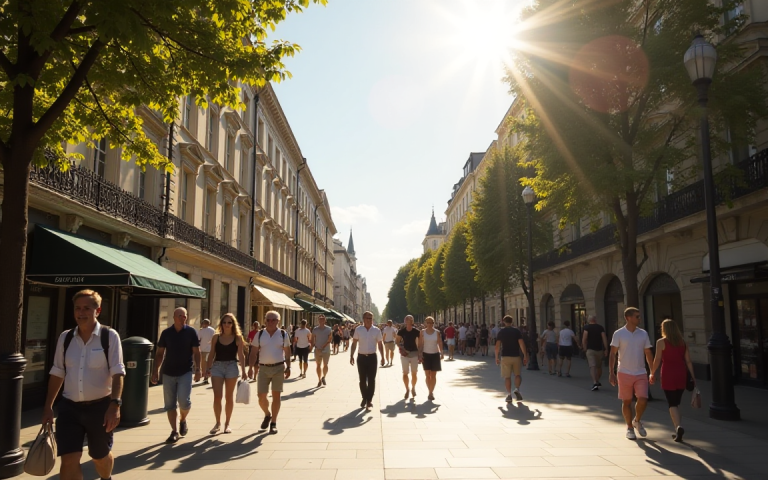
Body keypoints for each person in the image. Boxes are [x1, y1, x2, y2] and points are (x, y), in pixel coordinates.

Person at [42, 290, 125, 480]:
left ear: (98, 310)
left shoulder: (109, 336)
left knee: (99, 457)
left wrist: (115, 405)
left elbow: (118, 373)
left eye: (86, 308)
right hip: (69, 409)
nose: (81, 312)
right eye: (77, 308)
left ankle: (106, 478)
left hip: (100, 408)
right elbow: (57, 372)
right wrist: (48, 407)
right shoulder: (66, 338)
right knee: (69, 460)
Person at [152, 307, 202, 443]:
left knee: (184, 402)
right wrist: (155, 371)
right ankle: (174, 431)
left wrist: (198, 369)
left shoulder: (191, 332)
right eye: (180, 316)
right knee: (170, 405)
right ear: (174, 317)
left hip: (185, 371)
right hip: (168, 372)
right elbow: (160, 353)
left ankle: (183, 419)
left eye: (184, 316)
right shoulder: (166, 333)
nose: (182, 318)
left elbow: (197, 352)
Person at [609, 307, 653, 440]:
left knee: (643, 399)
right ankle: (629, 427)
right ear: (628, 318)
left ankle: (637, 420)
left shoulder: (643, 333)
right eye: (637, 316)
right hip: (624, 372)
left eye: (639, 316)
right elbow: (613, 353)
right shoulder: (619, 333)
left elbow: (648, 352)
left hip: (641, 372)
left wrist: (652, 371)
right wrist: (611, 372)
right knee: (627, 401)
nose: (639, 319)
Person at [650, 319, 696, 442]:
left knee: (672, 403)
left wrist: (652, 372)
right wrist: (693, 377)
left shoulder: (661, 342)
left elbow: (657, 359)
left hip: (668, 374)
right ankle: (678, 428)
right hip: (681, 373)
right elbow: (688, 361)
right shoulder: (683, 342)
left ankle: (678, 427)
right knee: (677, 401)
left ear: (664, 329)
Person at [248, 310, 292, 434]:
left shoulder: (283, 334)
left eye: (273, 320)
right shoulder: (260, 334)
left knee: (276, 396)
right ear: (265, 321)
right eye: (268, 320)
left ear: (278, 321)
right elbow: (253, 352)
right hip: (263, 368)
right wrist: (250, 368)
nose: (270, 322)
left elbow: (287, 352)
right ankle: (267, 414)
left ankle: (273, 423)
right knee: (261, 396)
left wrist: (288, 367)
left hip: (278, 368)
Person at [205, 313, 248, 434]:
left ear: (233, 324)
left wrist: (244, 371)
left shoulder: (237, 338)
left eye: (229, 322)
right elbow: (212, 353)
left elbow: (241, 355)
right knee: (217, 396)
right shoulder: (216, 337)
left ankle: (227, 423)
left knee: (229, 397)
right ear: (221, 324)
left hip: (231, 367)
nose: (226, 325)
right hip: (217, 367)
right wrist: (207, 368)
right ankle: (217, 423)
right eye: (224, 322)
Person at [350, 311, 385, 409]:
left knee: (371, 379)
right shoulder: (358, 329)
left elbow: (380, 344)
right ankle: (364, 397)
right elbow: (354, 343)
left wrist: (383, 357)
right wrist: (351, 355)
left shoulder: (376, 330)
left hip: (372, 357)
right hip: (361, 357)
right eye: (368, 318)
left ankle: (369, 400)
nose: (370, 320)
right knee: (362, 380)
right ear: (364, 319)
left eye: (371, 318)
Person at [496, 315, 528, 402]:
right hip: (516, 356)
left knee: (507, 377)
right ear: (512, 322)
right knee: (517, 375)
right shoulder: (516, 331)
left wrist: (496, 357)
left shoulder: (501, 332)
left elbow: (497, 346)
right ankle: (517, 389)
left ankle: (509, 395)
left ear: (504, 322)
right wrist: (525, 355)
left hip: (505, 356)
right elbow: (521, 343)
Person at [419, 316, 444, 400]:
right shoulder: (422, 332)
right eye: (428, 322)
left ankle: (431, 392)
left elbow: (439, 342)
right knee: (427, 375)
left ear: (433, 323)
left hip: (435, 355)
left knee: (433, 375)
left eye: (431, 323)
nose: (430, 324)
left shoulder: (437, 332)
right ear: (425, 323)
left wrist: (442, 353)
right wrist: (419, 354)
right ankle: (429, 390)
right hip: (425, 354)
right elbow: (420, 344)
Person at [397, 315, 421, 399]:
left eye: (410, 319)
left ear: (412, 321)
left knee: (414, 373)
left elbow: (420, 343)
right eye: (406, 319)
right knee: (405, 373)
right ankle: (407, 389)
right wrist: (401, 348)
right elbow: (397, 341)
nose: (408, 320)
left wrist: (420, 354)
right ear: (404, 321)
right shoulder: (401, 331)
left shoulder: (416, 331)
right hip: (405, 354)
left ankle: (413, 388)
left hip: (414, 353)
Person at [583, 315, 609, 390]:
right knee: (599, 367)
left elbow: (584, 339)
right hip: (599, 350)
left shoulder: (587, 328)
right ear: (595, 320)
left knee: (592, 366)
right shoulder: (600, 328)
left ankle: (595, 382)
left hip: (590, 349)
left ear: (589, 320)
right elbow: (604, 338)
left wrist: (584, 348)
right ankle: (597, 381)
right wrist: (606, 349)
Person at [311, 315, 333, 387]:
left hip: (326, 350)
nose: (321, 321)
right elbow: (312, 339)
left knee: (325, 365)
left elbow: (330, 339)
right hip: (317, 349)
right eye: (320, 319)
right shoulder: (315, 329)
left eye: (323, 319)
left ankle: (324, 377)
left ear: (325, 320)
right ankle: (319, 379)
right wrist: (313, 346)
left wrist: (324, 346)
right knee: (318, 365)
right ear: (318, 320)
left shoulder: (329, 329)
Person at [197, 319, 215, 384]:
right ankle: (207, 376)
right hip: (210, 350)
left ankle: (205, 376)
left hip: (203, 349)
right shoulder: (213, 330)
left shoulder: (201, 331)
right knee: (209, 364)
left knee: (203, 364)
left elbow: (198, 340)